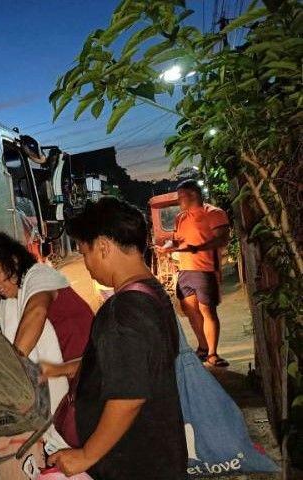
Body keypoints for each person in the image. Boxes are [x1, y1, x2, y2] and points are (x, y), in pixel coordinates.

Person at [48, 197, 186, 479]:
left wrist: (86, 456)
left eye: (85, 253)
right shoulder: (153, 293)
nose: (86, 264)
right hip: (157, 451)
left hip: (132, 462)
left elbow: (128, 396)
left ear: (103, 246)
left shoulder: (123, 311)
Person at [0, 232, 94, 471]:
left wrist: (12, 371)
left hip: (87, 379)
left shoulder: (40, 276)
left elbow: (36, 312)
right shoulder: (11, 303)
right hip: (71, 385)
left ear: (14, 261)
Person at [157, 179, 231, 367]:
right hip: (185, 270)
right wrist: (165, 247)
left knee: (207, 310)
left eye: (181, 196)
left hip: (205, 269)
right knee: (191, 311)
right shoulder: (180, 218)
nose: (178, 200)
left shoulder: (214, 213)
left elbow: (222, 239)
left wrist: (196, 248)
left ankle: (213, 353)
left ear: (193, 195)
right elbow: (175, 241)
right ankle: (203, 347)